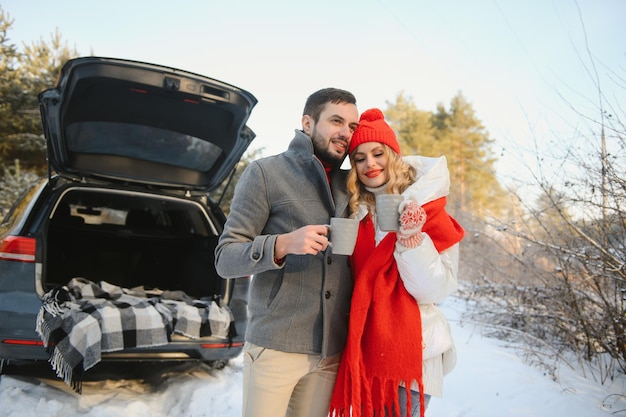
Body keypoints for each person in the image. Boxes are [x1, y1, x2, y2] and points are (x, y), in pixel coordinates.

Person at [214, 88, 359, 417]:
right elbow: (225, 257)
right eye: (336, 121)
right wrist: (281, 244)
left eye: (352, 126)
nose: (345, 133)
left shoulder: (352, 185)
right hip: (274, 347)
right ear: (307, 122)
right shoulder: (265, 173)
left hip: (330, 353)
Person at [329, 108, 465, 417]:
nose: (370, 164)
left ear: (393, 155)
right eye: (359, 158)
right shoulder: (355, 212)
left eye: (378, 153)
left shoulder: (429, 212)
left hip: (410, 355)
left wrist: (412, 241)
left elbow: (434, 290)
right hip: (362, 353)